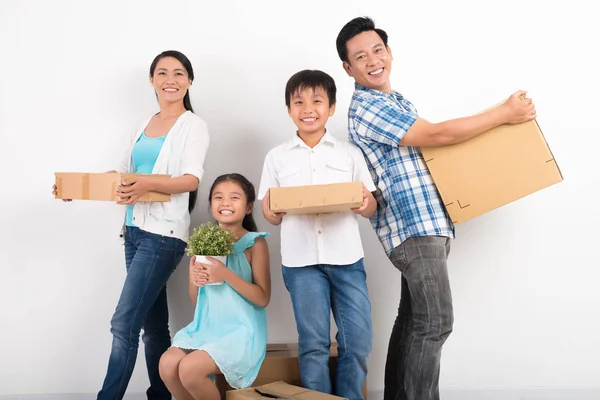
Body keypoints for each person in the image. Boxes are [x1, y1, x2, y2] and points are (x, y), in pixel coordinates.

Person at [335, 17, 537, 400]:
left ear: (389, 52)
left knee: (414, 323)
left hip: (428, 225)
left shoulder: (396, 101)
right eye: (360, 56)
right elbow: (437, 135)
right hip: (413, 228)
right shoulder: (368, 107)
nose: (373, 60)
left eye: (378, 50)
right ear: (348, 68)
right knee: (436, 323)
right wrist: (503, 115)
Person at [52, 49, 210, 400]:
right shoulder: (143, 123)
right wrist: (77, 188)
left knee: (123, 323)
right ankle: (162, 395)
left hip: (164, 235)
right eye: (163, 73)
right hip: (134, 232)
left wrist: (146, 183)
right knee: (153, 326)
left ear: (189, 81)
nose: (171, 79)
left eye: (179, 73)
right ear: (152, 80)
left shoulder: (193, 126)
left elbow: (190, 180)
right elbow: (120, 174)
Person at [258, 69, 377, 400]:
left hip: (346, 258)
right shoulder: (276, 157)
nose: (307, 108)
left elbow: (369, 205)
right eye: (298, 101)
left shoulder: (349, 153)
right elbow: (271, 212)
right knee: (313, 345)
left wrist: (366, 204)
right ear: (288, 109)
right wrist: (271, 213)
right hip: (300, 263)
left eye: (316, 100)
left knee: (358, 341)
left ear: (331, 107)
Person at [158, 173, 270, 400]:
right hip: (207, 328)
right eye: (218, 197)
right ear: (210, 206)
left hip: (241, 333)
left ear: (248, 207)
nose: (225, 202)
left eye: (234, 197)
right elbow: (199, 301)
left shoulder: (255, 243)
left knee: (190, 369)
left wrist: (225, 274)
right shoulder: (203, 242)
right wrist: (194, 276)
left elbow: (262, 297)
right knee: (167, 364)